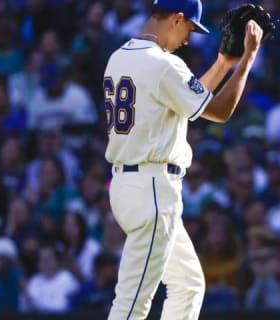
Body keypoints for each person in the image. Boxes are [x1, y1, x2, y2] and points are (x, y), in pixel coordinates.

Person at [102, 1, 264, 319]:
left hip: (130, 184)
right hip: (152, 187)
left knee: (188, 284)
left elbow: (189, 99)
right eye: (189, 27)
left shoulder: (120, 56)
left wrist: (223, 62)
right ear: (176, 18)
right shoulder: (164, 65)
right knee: (132, 303)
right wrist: (246, 61)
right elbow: (218, 111)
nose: (188, 39)